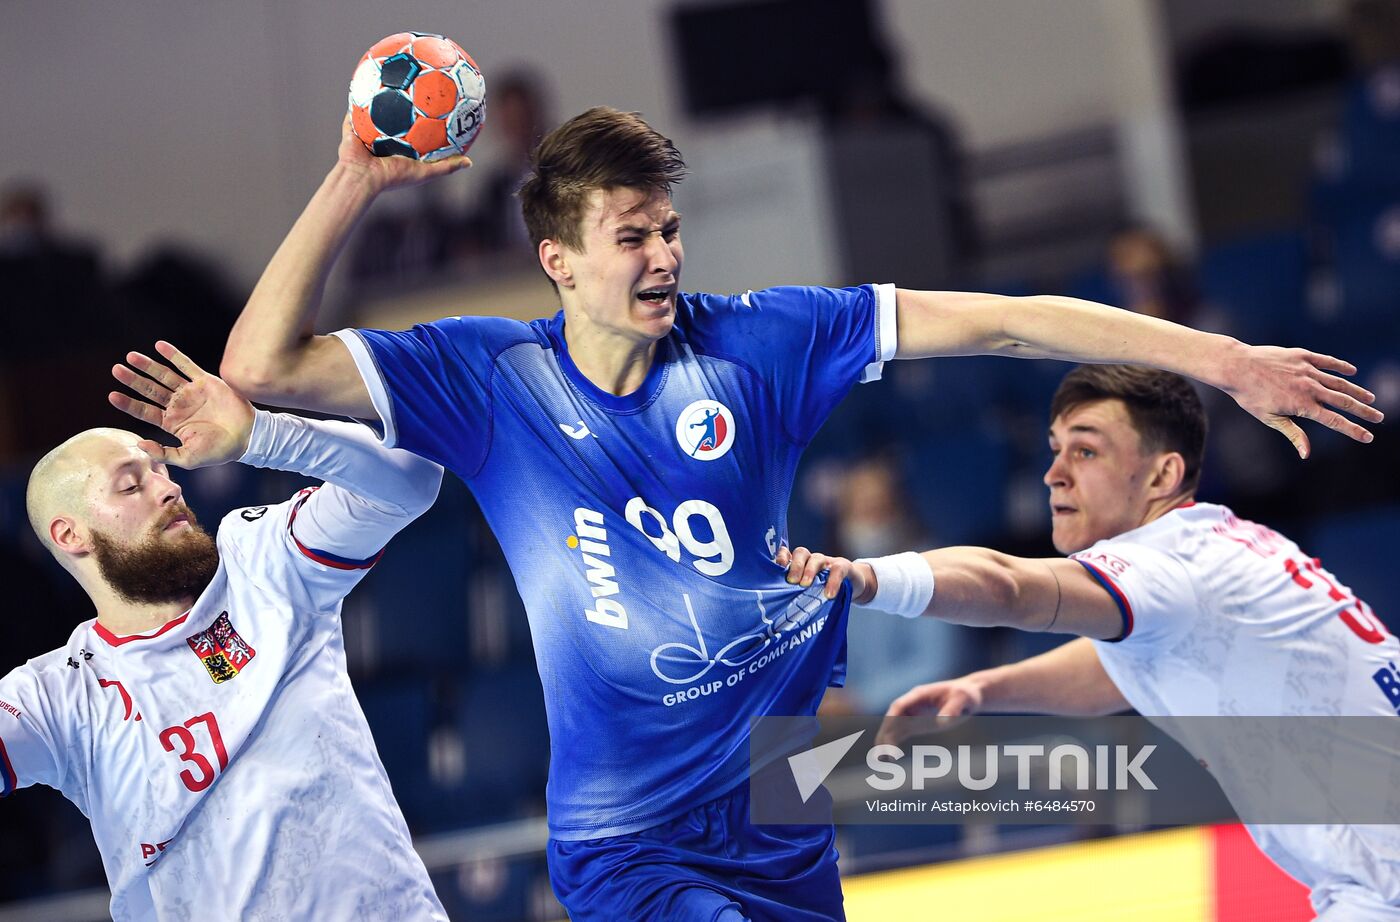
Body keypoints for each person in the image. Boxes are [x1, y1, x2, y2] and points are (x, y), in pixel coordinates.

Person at [220, 106, 1380, 921]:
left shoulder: (760, 338)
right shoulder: (487, 379)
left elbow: (1001, 321)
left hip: (786, 787)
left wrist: (1225, 360)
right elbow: (261, 363)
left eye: (669, 227)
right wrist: (358, 180)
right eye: (632, 236)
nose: (666, 254)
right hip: (631, 826)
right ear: (559, 261)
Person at [783, 364, 1399, 920]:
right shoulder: (1216, 551)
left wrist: (868, 576)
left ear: (1163, 473)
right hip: (1364, 885)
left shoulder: (1169, 565)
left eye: (1085, 452)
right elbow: (1118, 669)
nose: (1053, 474)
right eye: (1053, 451)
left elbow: (1009, 587)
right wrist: (985, 686)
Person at [2, 342, 449, 920]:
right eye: (131, 486)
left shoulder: (264, 562)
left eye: (163, 472)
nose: (168, 489)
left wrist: (262, 433)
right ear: (71, 536)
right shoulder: (60, 697)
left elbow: (413, 477)